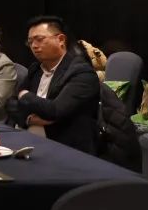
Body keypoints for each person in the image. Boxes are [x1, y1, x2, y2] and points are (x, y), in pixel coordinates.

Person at [7, 16, 100, 154]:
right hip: (27, 140)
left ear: (61, 39)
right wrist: (29, 119)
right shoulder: (36, 69)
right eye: (30, 42)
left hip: (64, 148)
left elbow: (55, 111)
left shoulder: (82, 73)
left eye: (39, 39)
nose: (34, 46)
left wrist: (25, 95)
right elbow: (11, 104)